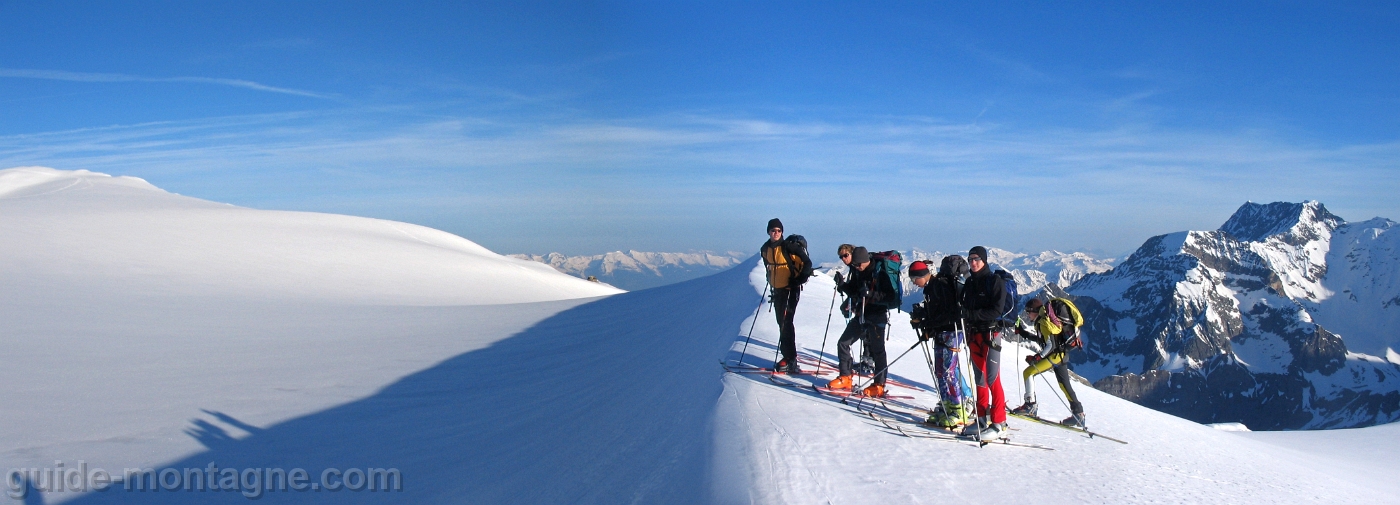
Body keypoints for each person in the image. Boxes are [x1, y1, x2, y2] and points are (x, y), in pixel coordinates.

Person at [909, 257, 973, 429]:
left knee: (948, 371)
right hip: (943, 332)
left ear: (923, 275)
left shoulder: (939, 286)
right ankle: (947, 405)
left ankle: (957, 409)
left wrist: (926, 323)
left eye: (915, 279)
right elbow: (937, 313)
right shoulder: (931, 288)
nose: (914, 283)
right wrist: (923, 319)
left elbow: (947, 314)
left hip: (951, 332)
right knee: (941, 372)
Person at [827, 247, 898, 397]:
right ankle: (846, 376)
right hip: (862, 314)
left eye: (859, 265)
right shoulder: (858, 272)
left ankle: (879, 385)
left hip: (877, 315)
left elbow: (890, 296)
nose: (857, 267)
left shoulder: (880, 273)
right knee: (843, 343)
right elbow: (854, 292)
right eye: (856, 265)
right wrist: (843, 285)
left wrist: (870, 294)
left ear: (866, 261)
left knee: (878, 351)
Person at [960, 246, 1011, 439]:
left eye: (977, 259)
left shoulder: (994, 281)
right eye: (970, 259)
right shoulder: (970, 283)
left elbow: (997, 310)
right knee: (979, 379)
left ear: (984, 260)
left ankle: (999, 422)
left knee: (992, 378)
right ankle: (981, 419)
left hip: (991, 335)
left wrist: (973, 314)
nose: (973, 263)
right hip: (974, 335)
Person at [1011, 298, 1087, 426]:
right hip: (1061, 354)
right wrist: (1023, 333)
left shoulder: (1043, 323)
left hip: (1055, 355)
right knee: (1064, 385)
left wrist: (1037, 357)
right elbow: (1042, 339)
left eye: (1028, 312)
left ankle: (1030, 406)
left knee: (1028, 373)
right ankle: (1078, 414)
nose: (1028, 315)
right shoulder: (1044, 320)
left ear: (1034, 311)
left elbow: (1050, 345)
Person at [760, 218, 810, 374]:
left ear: (782, 232)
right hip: (778, 290)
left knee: (786, 322)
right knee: (781, 321)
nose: (776, 233)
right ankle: (788, 357)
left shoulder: (789, 247)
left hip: (790, 289)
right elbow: (767, 266)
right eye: (773, 230)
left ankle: (790, 359)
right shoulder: (765, 248)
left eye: (779, 231)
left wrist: (799, 279)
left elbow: (807, 263)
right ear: (768, 232)